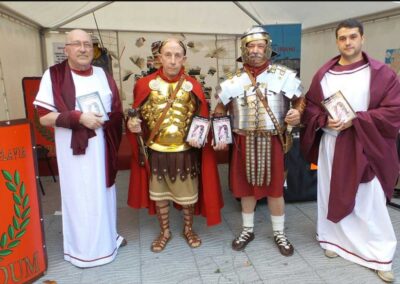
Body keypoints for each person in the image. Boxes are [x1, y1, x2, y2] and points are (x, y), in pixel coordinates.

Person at [300, 19, 400, 283]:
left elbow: (393, 111)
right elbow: (311, 107)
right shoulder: (324, 74)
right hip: (332, 145)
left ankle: (380, 255)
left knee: (370, 201)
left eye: (353, 37)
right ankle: (333, 240)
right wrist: (323, 121)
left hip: (366, 144)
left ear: (362, 39)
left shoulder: (381, 73)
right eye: (342, 38)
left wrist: (357, 119)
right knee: (329, 193)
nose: (348, 42)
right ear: (337, 41)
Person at [33, 29, 125, 268]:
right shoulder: (53, 75)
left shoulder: (103, 74)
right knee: (81, 198)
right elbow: (43, 117)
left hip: (103, 147)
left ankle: (108, 239)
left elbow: (115, 109)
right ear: (67, 49)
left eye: (87, 44)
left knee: (104, 195)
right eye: (77, 44)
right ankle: (85, 252)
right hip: (75, 152)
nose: (83, 49)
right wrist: (77, 117)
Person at [213, 26, 305, 256]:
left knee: (275, 191)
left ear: (268, 49)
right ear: (243, 50)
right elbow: (219, 110)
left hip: (273, 141)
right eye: (250, 46)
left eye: (259, 46)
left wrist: (297, 113)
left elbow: (300, 100)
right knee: (246, 190)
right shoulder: (231, 81)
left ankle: (279, 233)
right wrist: (221, 136)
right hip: (243, 141)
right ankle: (248, 230)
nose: (255, 50)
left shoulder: (283, 76)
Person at [126, 38, 223, 253]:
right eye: (167, 55)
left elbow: (202, 117)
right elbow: (136, 115)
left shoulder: (194, 85)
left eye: (177, 55)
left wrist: (209, 137)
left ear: (184, 59)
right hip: (156, 151)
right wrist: (132, 124)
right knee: (160, 195)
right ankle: (165, 231)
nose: (172, 60)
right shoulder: (143, 85)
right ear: (159, 57)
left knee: (188, 196)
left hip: (185, 151)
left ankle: (188, 229)